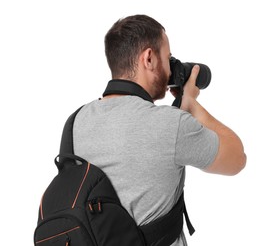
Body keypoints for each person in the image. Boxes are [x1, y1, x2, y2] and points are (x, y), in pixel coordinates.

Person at [72, 14, 246, 245]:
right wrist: (192, 106)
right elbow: (237, 159)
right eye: (168, 57)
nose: (169, 69)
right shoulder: (171, 124)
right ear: (149, 58)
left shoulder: (76, 121)